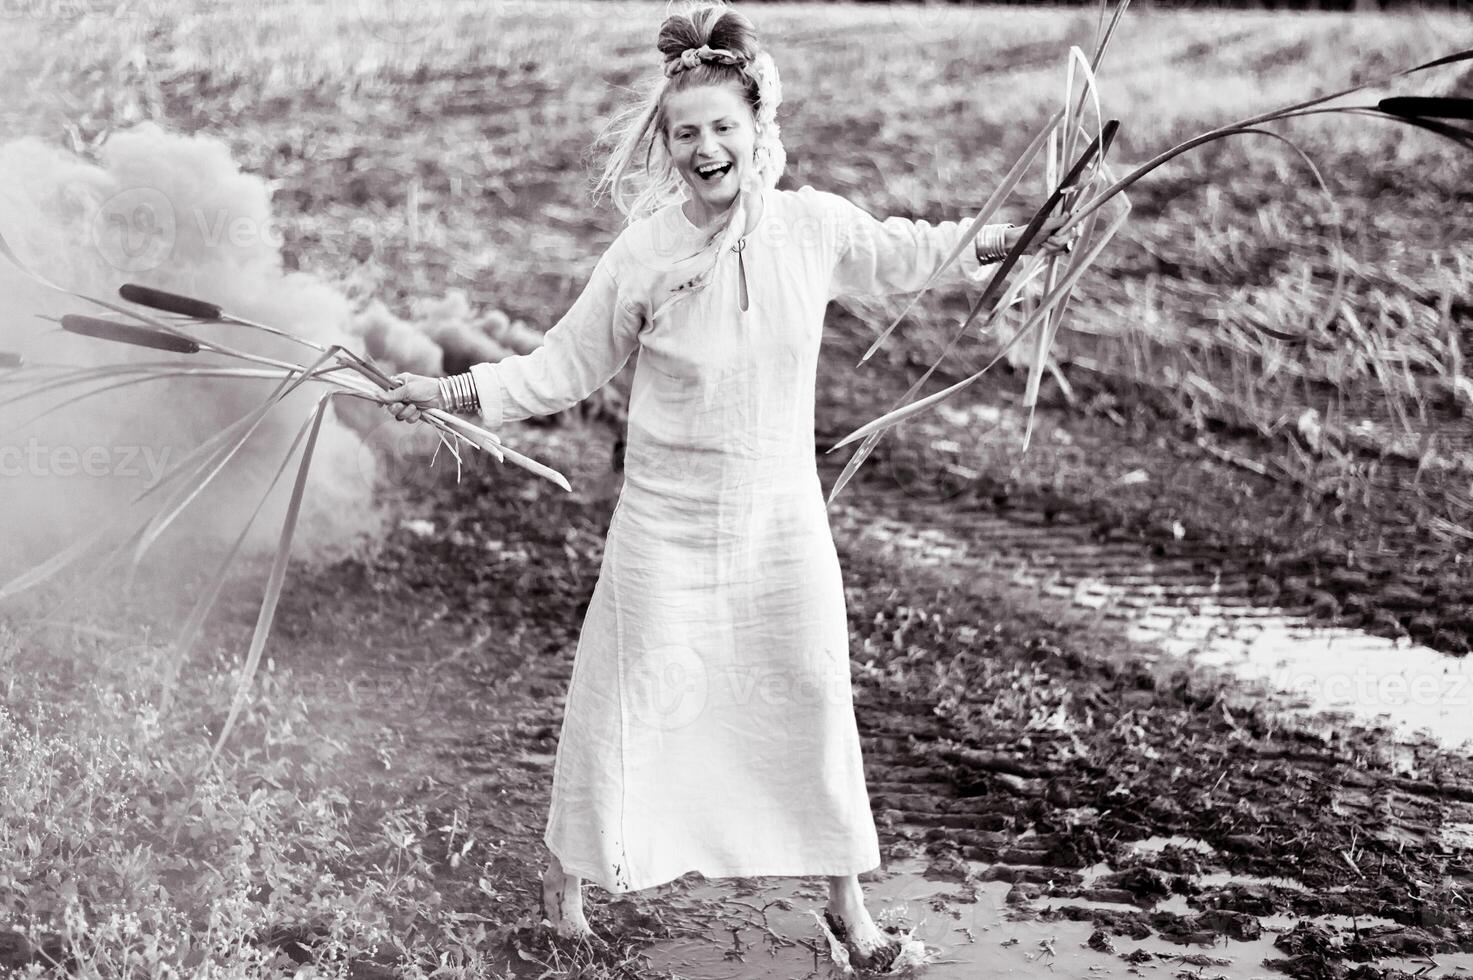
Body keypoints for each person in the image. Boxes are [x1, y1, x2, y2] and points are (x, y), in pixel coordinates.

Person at [377, 1, 1074, 968]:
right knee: (624, 699)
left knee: (810, 694)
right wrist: (448, 389)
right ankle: (564, 885)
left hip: (778, 519)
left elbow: (921, 251)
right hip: (665, 523)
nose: (706, 148)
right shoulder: (644, 255)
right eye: (686, 133)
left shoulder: (812, 229)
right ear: (667, 148)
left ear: (758, 133)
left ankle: (848, 913)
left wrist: (1017, 237)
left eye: (722, 129)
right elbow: (557, 369)